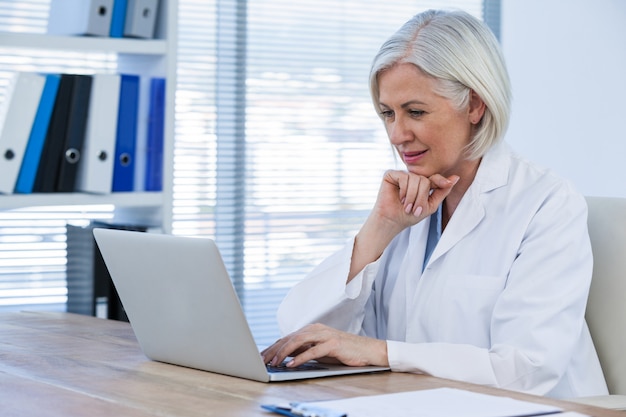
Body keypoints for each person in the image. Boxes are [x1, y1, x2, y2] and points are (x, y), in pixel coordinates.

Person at [260, 9, 608, 399]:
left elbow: (525, 370)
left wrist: (379, 352)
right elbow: (300, 336)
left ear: (474, 105)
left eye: (416, 112)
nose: (396, 134)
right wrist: (380, 228)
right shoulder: (406, 204)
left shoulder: (546, 203)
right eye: (387, 113)